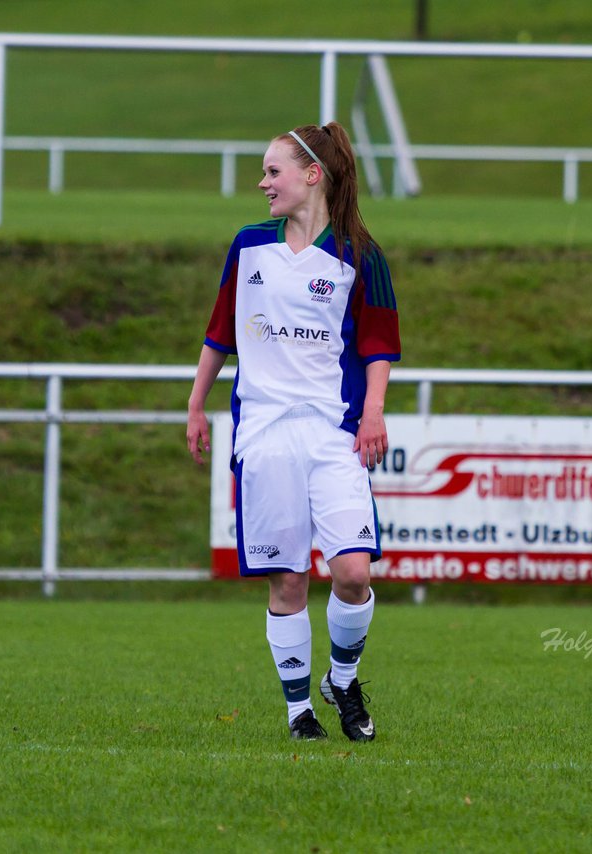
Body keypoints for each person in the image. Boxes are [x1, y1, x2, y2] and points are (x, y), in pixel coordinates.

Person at [186, 122, 401, 742]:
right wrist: (196, 405)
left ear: (313, 176)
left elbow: (379, 345)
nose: (262, 183)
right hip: (264, 433)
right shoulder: (250, 245)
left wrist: (374, 411)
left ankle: (343, 677)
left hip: (335, 433)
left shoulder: (360, 256)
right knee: (288, 580)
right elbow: (219, 331)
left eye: (272, 171)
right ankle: (298, 712)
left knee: (354, 572)